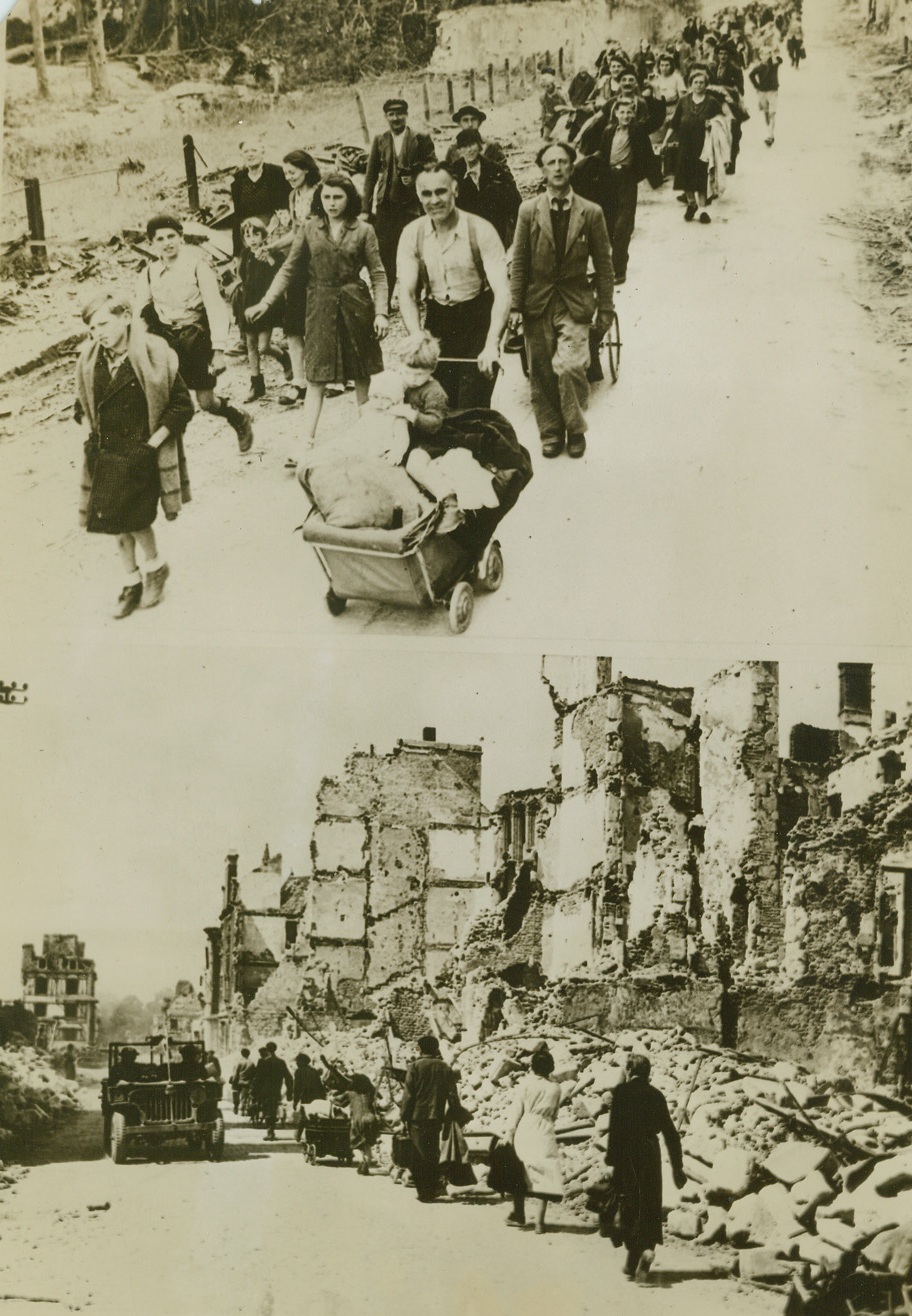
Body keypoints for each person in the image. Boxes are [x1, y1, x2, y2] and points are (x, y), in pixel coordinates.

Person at [248, 171, 388, 463]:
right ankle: (305, 444)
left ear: (349, 198)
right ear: (319, 199)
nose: (332, 203)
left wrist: (382, 313)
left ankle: (369, 439)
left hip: (356, 305)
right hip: (320, 307)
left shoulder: (363, 230)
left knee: (361, 374)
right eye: (327, 197)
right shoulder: (309, 228)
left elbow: (378, 274)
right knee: (316, 377)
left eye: (338, 197)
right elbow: (288, 268)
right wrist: (266, 301)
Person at [75, 290, 193, 619]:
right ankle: (131, 582)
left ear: (126, 317)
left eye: (103, 323)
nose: (98, 333)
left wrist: (151, 446)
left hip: (141, 453)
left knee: (137, 521)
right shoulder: (88, 359)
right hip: (106, 455)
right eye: (92, 328)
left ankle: (155, 567)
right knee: (112, 523)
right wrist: (90, 431)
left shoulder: (155, 355)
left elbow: (182, 406)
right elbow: (80, 404)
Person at [509, 140, 614, 460]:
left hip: (575, 299)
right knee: (540, 372)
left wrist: (606, 308)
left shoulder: (591, 212)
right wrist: (515, 305)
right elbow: (520, 261)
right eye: (550, 162)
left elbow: (605, 265)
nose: (557, 167)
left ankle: (575, 429)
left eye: (563, 162)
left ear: (571, 167)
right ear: (542, 170)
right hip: (538, 301)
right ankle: (551, 432)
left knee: (569, 366)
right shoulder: (528, 211)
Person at [135, 215, 253, 453]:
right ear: (152, 244)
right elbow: (139, 311)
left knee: (206, 402)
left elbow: (215, 308)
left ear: (181, 238)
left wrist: (219, 351)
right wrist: (135, 345)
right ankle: (166, 451)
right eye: (160, 239)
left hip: (196, 338)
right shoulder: (149, 273)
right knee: (165, 398)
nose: (167, 243)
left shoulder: (198, 267)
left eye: (171, 237)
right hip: (166, 340)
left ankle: (237, 417)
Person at [397, 161, 510, 410]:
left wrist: (492, 344)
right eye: (426, 193)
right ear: (418, 195)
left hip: (478, 317)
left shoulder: (481, 229)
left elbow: (503, 291)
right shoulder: (411, 234)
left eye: (441, 191)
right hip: (438, 320)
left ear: (455, 190)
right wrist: (417, 336)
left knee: (472, 406)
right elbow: (406, 292)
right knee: (437, 403)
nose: (434, 200)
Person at [606, 1052, 687, 1282]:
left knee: (629, 1204)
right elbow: (671, 1134)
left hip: (627, 1153)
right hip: (650, 1153)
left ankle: (633, 1259)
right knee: (649, 1205)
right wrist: (677, 1168)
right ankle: (644, 1254)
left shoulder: (621, 1092)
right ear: (648, 1073)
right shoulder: (657, 1095)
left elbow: (615, 1129)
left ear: (629, 1071)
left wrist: (611, 1159)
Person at [574, 95, 662, 286]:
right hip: (609, 180)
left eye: (629, 111)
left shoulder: (638, 130)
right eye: (621, 111)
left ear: (634, 114)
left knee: (624, 225)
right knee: (608, 224)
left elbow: (647, 149)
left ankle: (619, 270)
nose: (625, 115)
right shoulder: (608, 131)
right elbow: (603, 154)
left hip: (627, 180)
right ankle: (606, 269)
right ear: (615, 113)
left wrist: (657, 101)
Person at [362, 98, 436, 309]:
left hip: (413, 206)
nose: (396, 118)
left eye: (399, 113)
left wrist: (414, 174)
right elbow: (370, 177)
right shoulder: (379, 140)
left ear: (406, 115)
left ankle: (422, 294)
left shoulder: (420, 138)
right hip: (386, 206)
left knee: (419, 249)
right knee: (385, 253)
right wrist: (365, 210)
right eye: (391, 114)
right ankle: (384, 300)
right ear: (386, 117)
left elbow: (433, 165)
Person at [265, 149, 322, 406]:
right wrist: (273, 246)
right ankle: (299, 381)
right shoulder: (292, 196)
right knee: (293, 321)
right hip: (299, 262)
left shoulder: (321, 192)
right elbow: (296, 232)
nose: (289, 177)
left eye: (293, 172)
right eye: (286, 173)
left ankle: (334, 377)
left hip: (321, 262)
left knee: (321, 318)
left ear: (306, 169)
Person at [500, 1050, 565, 1235]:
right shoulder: (555, 1087)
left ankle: (518, 1215)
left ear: (532, 1066)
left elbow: (516, 1110)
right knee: (544, 1174)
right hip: (545, 1130)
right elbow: (555, 1114)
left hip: (526, 1128)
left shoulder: (526, 1084)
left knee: (521, 1172)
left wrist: (509, 1133)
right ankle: (540, 1222)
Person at [399, 1034, 461, 1202]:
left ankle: (424, 1192)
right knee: (432, 1152)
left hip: (417, 1118)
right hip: (436, 1118)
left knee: (419, 1154)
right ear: (436, 1049)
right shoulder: (444, 1067)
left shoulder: (414, 1067)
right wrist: (455, 1113)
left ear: (420, 1049)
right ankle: (431, 1189)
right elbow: (452, 1095)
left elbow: (408, 1095)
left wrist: (404, 1116)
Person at [661, 67, 722, 222]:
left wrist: (712, 124)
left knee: (701, 176)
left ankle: (702, 210)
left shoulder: (712, 102)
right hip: (685, 144)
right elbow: (674, 123)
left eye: (702, 82)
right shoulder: (684, 101)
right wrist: (665, 140)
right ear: (690, 84)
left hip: (703, 146)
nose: (699, 85)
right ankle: (692, 203)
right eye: (696, 82)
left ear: (706, 84)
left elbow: (722, 121)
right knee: (684, 175)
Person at [235, 218, 286, 402]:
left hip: (265, 304)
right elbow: (242, 276)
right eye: (248, 235)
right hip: (248, 303)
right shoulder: (246, 254)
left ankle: (284, 358)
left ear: (264, 235)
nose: (252, 239)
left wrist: (269, 258)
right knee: (250, 344)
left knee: (263, 346)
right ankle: (256, 384)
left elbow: (281, 272)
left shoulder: (272, 252)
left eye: (256, 234)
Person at [451, 128, 522, 247]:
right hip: (466, 233)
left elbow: (514, 199)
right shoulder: (454, 172)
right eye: (464, 146)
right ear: (459, 150)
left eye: (472, 144)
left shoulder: (494, 170)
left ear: (480, 146)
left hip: (494, 230)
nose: (469, 150)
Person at [229, 137, 291, 257]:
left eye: (254, 150)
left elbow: (286, 205)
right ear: (241, 155)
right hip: (248, 232)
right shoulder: (238, 180)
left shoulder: (277, 173)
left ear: (262, 152)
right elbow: (237, 217)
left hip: (274, 228)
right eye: (246, 151)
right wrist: (236, 253)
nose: (250, 155)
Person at [444, 103, 511, 172]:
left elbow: (506, 176)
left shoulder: (491, 147)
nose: (470, 124)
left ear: (479, 123)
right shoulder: (453, 149)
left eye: (473, 119)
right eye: (465, 120)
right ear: (459, 123)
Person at [339, 1073, 382, 1176]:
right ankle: (366, 1164)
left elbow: (340, 1103)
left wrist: (332, 1098)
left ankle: (361, 1161)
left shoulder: (350, 1093)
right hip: (371, 1118)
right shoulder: (371, 1092)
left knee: (355, 1145)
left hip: (357, 1120)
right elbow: (379, 1098)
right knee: (367, 1144)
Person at [253, 1041, 293, 1141]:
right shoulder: (281, 1062)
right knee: (272, 1109)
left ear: (267, 1049)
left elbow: (257, 1078)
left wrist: (254, 1092)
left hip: (264, 1091)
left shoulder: (262, 1062)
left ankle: (270, 1131)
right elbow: (288, 1077)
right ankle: (271, 1130)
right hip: (276, 1090)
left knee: (267, 1110)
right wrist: (289, 1092)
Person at [750, 51, 782, 146]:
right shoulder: (759, 68)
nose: (765, 56)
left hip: (773, 92)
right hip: (762, 93)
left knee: (772, 113)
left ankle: (770, 136)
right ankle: (770, 132)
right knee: (766, 113)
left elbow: (780, 61)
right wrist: (757, 86)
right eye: (763, 54)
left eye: (767, 54)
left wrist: (778, 57)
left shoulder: (773, 66)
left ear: (769, 55)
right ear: (760, 56)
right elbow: (751, 76)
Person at [539, 65, 571, 139]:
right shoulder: (543, 96)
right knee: (545, 139)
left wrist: (563, 108)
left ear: (553, 84)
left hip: (561, 119)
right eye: (544, 86)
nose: (546, 89)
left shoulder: (561, 93)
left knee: (558, 138)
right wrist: (542, 125)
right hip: (550, 120)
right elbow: (543, 110)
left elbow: (569, 107)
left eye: (548, 86)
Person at [230, 1047, 252, 1114]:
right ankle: (242, 1110)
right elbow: (253, 1074)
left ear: (241, 1054)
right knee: (244, 1097)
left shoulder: (238, 1063)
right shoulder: (251, 1063)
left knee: (236, 1095)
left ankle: (236, 1108)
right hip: (247, 1083)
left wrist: (233, 1082)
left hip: (238, 1082)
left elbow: (235, 1073)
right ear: (249, 1054)